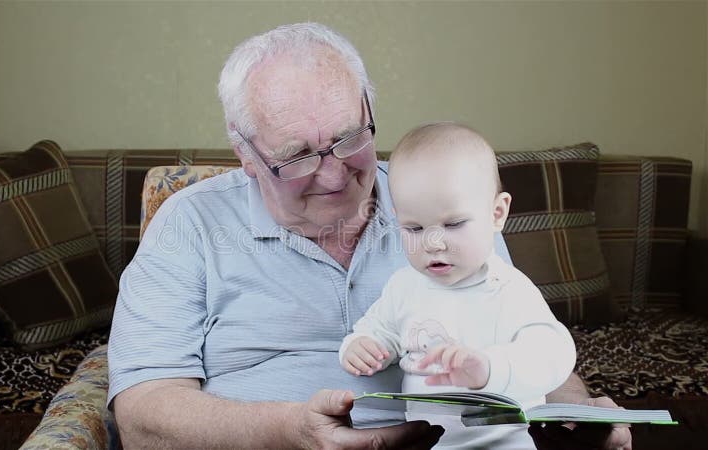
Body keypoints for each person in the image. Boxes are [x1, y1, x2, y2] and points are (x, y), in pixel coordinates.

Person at [108, 22, 631, 449]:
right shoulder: (189, 225)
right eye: (296, 156)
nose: (335, 175)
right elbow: (142, 415)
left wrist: (575, 408)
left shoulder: (446, 207)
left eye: (349, 138)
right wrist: (286, 433)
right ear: (245, 153)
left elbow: (518, 330)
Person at [339, 123, 577, 448]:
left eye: (453, 224)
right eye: (414, 228)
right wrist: (361, 344)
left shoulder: (506, 289)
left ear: (497, 213)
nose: (433, 243)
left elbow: (554, 353)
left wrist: (492, 368)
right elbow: (379, 329)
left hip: (504, 442)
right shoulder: (405, 286)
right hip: (432, 442)